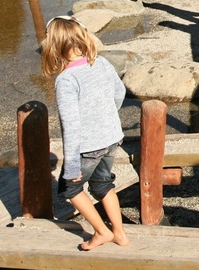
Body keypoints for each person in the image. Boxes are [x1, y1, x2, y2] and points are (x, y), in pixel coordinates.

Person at [41, 15, 130, 251]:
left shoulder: (66, 79)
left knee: (69, 188)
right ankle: (120, 233)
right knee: (102, 184)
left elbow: (71, 126)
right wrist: (107, 117)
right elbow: (119, 93)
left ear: (53, 47)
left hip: (89, 146)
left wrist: (71, 166)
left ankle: (102, 232)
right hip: (112, 138)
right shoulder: (101, 63)